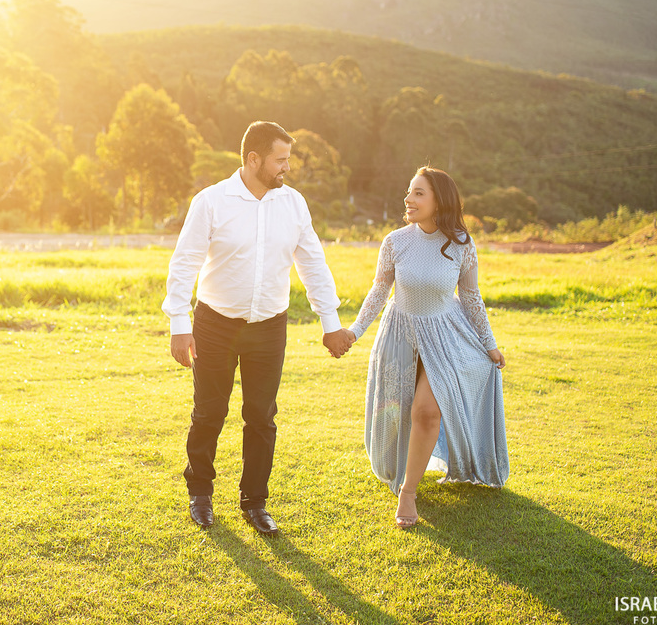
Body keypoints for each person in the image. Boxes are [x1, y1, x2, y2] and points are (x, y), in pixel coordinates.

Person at [163, 121, 355, 535]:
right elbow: (184, 264)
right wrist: (180, 323)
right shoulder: (211, 202)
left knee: (262, 416)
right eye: (280, 160)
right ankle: (200, 494)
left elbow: (313, 264)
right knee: (210, 411)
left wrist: (330, 323)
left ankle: (255, 502)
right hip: (214, 324)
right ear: (253, 159)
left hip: (269, 326)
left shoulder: (294, 204)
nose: (287, 168)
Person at [348, 167, 508, 529]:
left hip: (446, 337)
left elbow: (470, 297)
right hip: (400, 334)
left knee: (426, 413)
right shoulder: (395, 242)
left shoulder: (463, 245)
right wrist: (355, 330)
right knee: (400, 413)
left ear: (440, 200)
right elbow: (379, 290)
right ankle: (404, 470)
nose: (408, 199)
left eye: (418, 193)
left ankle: (408, 493)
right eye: (408, 192)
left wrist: (489, 344)